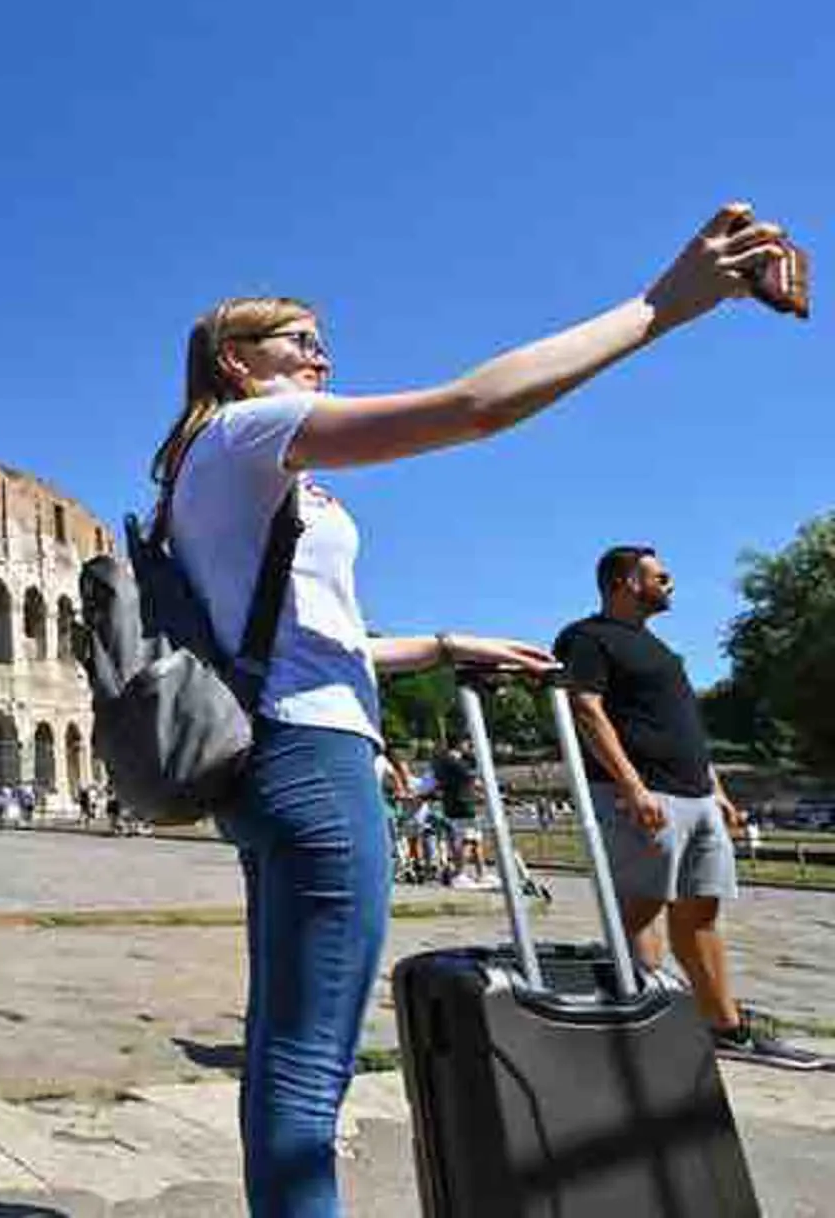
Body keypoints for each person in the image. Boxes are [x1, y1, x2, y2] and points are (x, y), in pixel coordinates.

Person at [152, 203, 796, 1216]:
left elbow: (295, 640)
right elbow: (476, 406)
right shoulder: (253, 429)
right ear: (235, 360)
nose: (321, 357)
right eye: (299, 342)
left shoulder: (203, 466)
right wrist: (658, 307)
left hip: (270, 754)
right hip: (314, 761)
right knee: (310, 1061)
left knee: (287, 1045)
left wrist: (445, 644)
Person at [555, 545, 823, 1071]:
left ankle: (724, 1028)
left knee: (701, 911)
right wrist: (630, 785)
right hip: (644, 796)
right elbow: (585, 709)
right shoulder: (587, 639)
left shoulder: (657, 649)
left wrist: (715, 787)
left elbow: (685, 728)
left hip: (695, 794)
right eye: (660, 576)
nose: (670, 583)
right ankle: (642, 1023)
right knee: (641, 907)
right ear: (624, 582)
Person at [431, 739, 486, 887]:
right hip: (462, 804)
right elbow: (470, 776)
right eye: (467, 743)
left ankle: (481, 874)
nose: (469, 746)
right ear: (459, 743)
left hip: (456, 804)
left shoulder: (443, 761)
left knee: (475, 840)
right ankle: (459, 874)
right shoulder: (453, 761)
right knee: (468, 839)